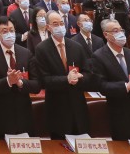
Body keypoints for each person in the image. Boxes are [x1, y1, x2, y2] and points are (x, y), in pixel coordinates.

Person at [31, 9, 90, 138]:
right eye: (55, 24)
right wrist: (66, 79)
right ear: (48, 27)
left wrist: (81, 77)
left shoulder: (76, 46)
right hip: (57, 109)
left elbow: (88, 73)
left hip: (78, 107)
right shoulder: (42, 49)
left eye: (62, 23)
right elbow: (44, 80)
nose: (60, 26)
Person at [0, 16, 39, 138]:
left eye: (12, 30)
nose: (9, 34)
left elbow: (36, 85)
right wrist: (8, 81)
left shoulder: (26, 53)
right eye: (5, 31)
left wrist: (20, 83)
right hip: (2, 117)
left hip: (24, 116)